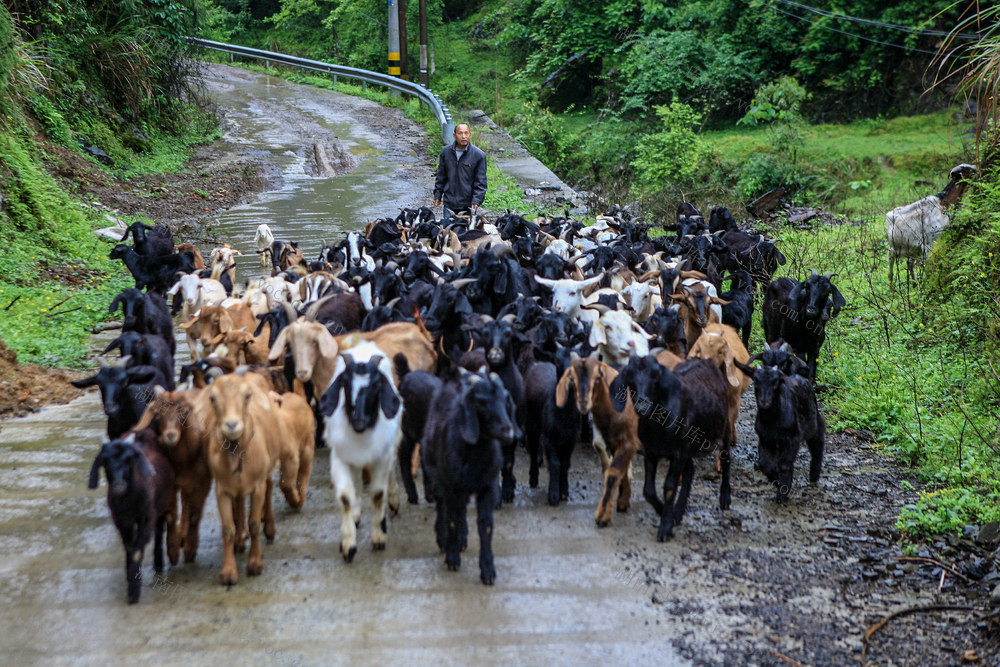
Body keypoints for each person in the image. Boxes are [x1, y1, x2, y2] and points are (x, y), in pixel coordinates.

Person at [433, 123, 487, 221]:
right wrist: (437, 195)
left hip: (467, 204)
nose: (463, 136)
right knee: (448, 228)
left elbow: (481, 182)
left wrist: (476, 200)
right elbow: (441, 176)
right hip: (449, 202)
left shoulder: (478, 155)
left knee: (465, 229)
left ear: (470, 135)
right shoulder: (446, 152)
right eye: (460, 133)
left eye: (466, 133)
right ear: (454, 135)